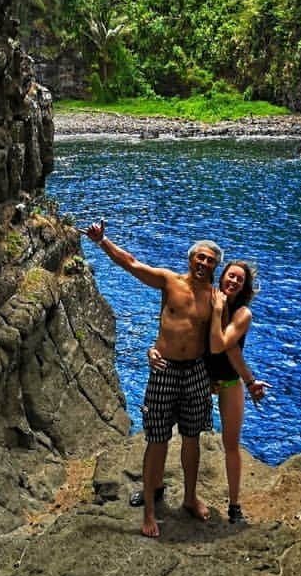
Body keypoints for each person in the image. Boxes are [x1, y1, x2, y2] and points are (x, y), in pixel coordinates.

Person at [84, 219, 220, 538]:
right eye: (199, 257)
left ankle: (189, 498)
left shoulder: (216, 298)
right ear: (190, 259)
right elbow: (130, 263)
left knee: (192, 437)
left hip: (196, 371)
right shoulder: (169, 281)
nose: (203, 263)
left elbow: (224, 340)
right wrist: (102, 241)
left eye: (210, 260)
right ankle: (149, 509)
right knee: (157, 439)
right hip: (164, 369)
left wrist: (218, 379)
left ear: (216, 266)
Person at [148, 258, 269, 523]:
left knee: (231, 444)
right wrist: (154, 349)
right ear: (221, 276)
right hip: (200, 377)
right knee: (167, 431)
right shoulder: (210, 297)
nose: (234, 281)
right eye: (231, 276)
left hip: (227, 381)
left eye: (240, 279)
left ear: (245, 286)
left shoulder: (242, 313)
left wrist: (248, 382)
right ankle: (154, 488)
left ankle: (235, 506)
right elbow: (181, 326)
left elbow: (223, 347)